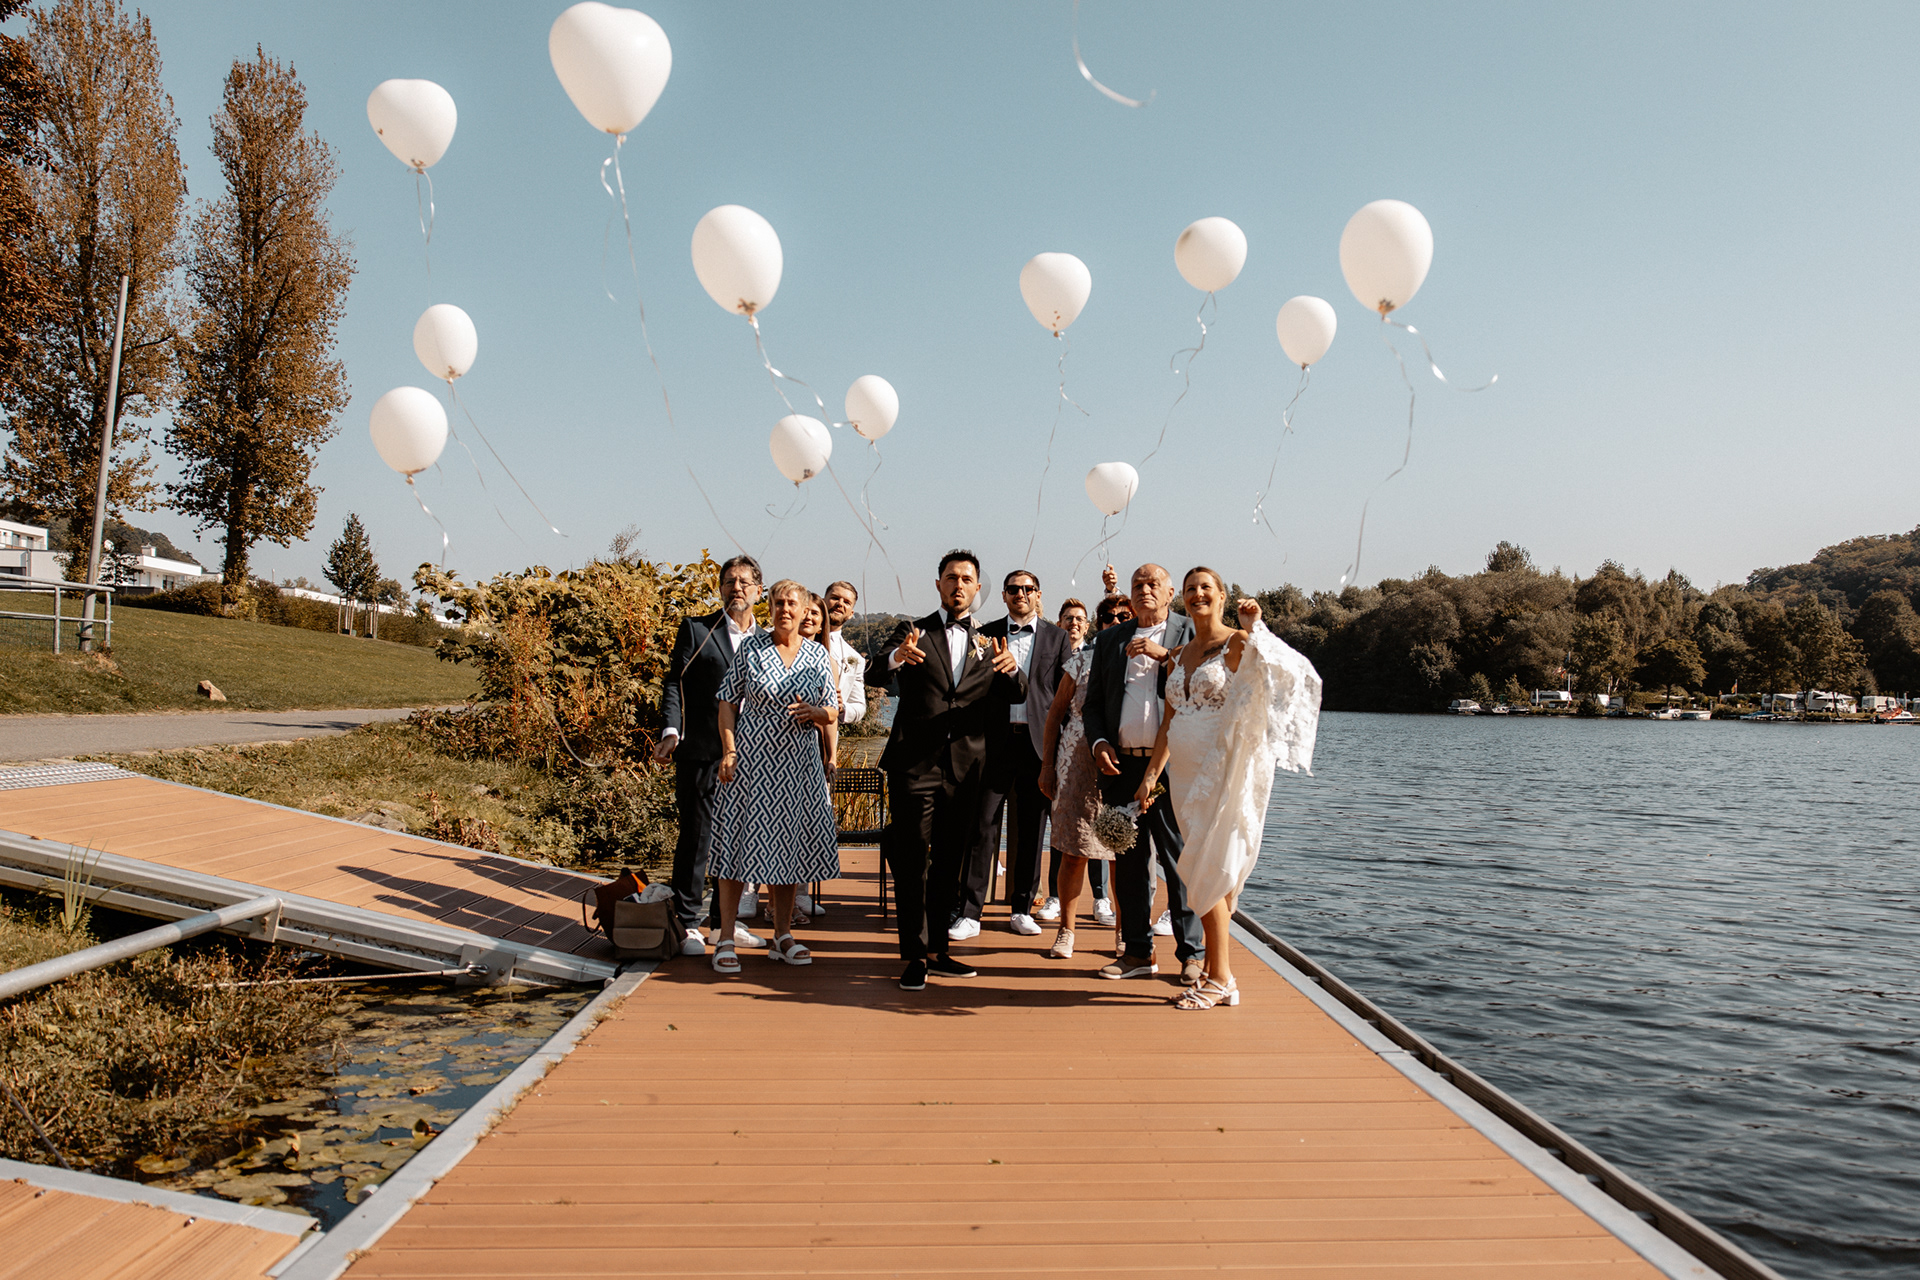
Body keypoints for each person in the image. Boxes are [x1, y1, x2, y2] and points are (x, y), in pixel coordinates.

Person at [1133, 568, 1321, 1009]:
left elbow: (1285, 670)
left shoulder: (1238, 643)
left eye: (1206, 588)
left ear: (1221, 597)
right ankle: (1218, 974)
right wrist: (1149, 776)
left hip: (1221, 771)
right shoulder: (1177, 655)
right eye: (1190, 589)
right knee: (1197, 866)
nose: (1197, 594)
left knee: (1211, 870)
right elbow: (1168, 721)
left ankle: (1221, 978)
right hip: (1181, 775)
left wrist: (1257, 628)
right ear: (1182, 598)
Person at [879, 549, 1026, 990]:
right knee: (911, 861)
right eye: (950, 577)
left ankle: (940, 950)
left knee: (949, 863)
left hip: (966, 769)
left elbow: (1017, 693)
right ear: (938, 584)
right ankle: (915, 956)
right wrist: (895, 659)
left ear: (978, 587)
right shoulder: (912, 632)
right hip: (913, 765)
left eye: (966, 578)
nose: (958, 585)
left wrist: (1014, 669)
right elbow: (875, 670)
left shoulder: (991, 640)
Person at [708, 580, 842, 974]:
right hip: (750, 760)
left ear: (805, 612)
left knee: (789, 848)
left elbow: (833, 711)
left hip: (798, 767)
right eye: (778, 602)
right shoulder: (751, 648)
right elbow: (727, 703)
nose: (785, 609)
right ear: (769, 607)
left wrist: (816, 713)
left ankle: (782, 935)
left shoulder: (818, 655)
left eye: (792, 604)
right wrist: (729, 750)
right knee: (736, 844)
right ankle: (727, 937)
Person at [1080, 563, 1205, 984]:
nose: (1145, 589)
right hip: (1121, 765)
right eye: (1138, 584)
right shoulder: (1110, 638)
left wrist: (1165, 656)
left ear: (1171, 593)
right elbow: (1092, 704)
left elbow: (1207, 683)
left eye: (1154, 584)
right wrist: (1098, 745)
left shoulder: (1189, 633)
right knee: (1130, 864)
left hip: (1173, 765)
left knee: (1179, 861)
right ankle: (1137, 952)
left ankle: (1192, 953)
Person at [656, 554, 768, 958]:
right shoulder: (698, 629)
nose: (735, 588)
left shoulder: (770, 639)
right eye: (728, 581)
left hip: (753, 758)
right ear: (720, 589)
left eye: (743, 582)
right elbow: (675, 683)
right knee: (697, 839)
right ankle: (687, 923)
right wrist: (672, 730)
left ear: (759, 590)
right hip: (702, 751)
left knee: (739, 840)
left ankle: (725, 922)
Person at [973, 569, 1070, 938]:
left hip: (1037, 744)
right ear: (1003, 595)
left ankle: (1020, 908)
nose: (1021, 594)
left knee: (1032, 829)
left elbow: (1062, 694)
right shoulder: (985, 634)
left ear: (1038, 594)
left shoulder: (1058, 637)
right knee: (982, 826)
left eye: (1028, 589)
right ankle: (969, 910)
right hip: (993, 742)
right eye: (1014, 589)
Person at [822, 580, 868, 732]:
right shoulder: (792, 638)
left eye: (847, 602)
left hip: (825, 738)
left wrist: (842, 708)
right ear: (823, 601)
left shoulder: (855, 660)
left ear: (851, 614)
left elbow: (859, 707)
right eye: (835, 598)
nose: (840, 604)